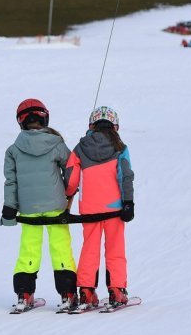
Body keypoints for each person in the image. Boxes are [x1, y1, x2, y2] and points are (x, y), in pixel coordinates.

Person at [1, 99, 78, 313]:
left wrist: (9, 207)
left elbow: (11, 181)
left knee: (28, 250)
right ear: (45, 118)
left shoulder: (13, 150)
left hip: (28, 209)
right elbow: (72, 169)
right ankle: (68, 294)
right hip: (56, 206)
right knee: (61, 248)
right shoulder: (56, 144)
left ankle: (24, 295)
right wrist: (68, 191)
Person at [65, 106, 135, 310]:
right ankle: (117, 290)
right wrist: (128, 202)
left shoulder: (80, 148)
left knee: (90, 249)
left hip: (89, 210)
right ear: (115, 126)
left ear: (91, 125)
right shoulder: (120, 147)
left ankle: (86, 291)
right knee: (115, 249)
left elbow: (71, 178)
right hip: (115, 209)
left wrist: (68, 194)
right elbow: (126, 176)